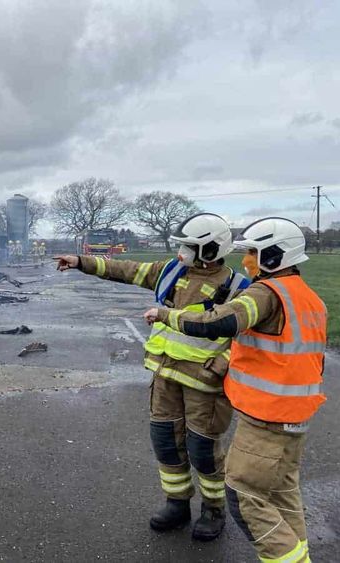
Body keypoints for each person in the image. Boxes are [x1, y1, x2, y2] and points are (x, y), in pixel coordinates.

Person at [55, 213, 249, 541]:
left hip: (204, 385)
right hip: (165, 377)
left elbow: (248, 340)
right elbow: (127, 270)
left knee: (203, 449)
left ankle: (213, 508)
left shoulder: (239, 288)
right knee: (166, 442)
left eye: (190, 247)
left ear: (211, 249)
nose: (182, 252)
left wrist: (221, 364)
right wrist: (80, 262)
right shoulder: (171, 271)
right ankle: (177, 502)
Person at [143, 217, 325, 563]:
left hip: (267, 415)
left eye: (253, 253)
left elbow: (222, 321)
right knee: (282, 494)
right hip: (295, 415)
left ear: (275, 255)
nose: (246, 260)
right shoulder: (307, 296)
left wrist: (166, 315)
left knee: (244, 495)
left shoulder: (266, 292)